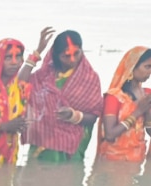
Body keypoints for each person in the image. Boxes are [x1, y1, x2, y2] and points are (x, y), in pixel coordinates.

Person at [23, 29, 102, 163]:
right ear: (56, 55)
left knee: (67, 182)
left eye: (77, 53)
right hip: (41, 145)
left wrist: (73, 116)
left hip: (71, 149)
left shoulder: (90, 78)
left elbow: (94, 115)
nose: (73, 59)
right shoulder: (44, 76)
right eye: (66, 56)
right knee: (34, 181)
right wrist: (37, 52)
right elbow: (19, 85)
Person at [97, 47, 151, 163]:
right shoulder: (114, 97)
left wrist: (147, 111)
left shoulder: (147, 94)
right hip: (113, 162)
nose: (150, 72)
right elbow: (110, 134)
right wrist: (137, 112)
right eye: (147, 67)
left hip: (137, 160)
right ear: (132, 67)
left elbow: (149, 131)